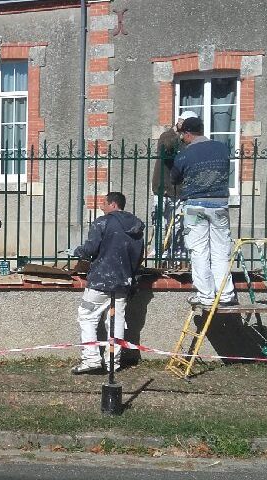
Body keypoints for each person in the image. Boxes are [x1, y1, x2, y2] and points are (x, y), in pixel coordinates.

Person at [66, 192, 145, 374]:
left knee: (86, 316)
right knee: (116, 321)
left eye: (104, 203)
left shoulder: (103, 222)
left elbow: (90, 249)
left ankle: (91, 359)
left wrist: (76, 251)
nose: (102, 207)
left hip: (100, 280)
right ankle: (112, 362)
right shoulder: (137, 226)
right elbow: (138, 256)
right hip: (124, 281)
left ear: (113, 204)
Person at [171, 116, 237, 307]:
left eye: (183, 135)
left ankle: (206, 295)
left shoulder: (186, 153)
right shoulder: (222, 148)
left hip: (195, 205)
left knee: (199, 250)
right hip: (219, 204)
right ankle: (225, 294)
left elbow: (174, 177)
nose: (182, 139)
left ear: (188, 133)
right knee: (221, 250)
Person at [151, 111, 197, 263]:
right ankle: (160, 254)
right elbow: (165, 149)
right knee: (161, 224)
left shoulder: (190, 141)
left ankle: (175, 254)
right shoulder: (167, 136)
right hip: (162, 188)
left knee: (177, 225)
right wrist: (178, 134)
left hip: (179, 190)